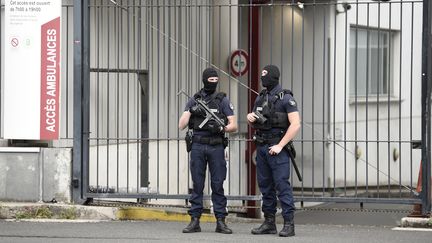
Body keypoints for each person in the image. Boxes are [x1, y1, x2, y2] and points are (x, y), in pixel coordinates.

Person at [178, 67, 237, 234]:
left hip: (216, 146)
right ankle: (195, 220)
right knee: (197, 184)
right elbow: (181, 125)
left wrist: (221, 128)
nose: (213, 83)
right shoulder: (194, 100)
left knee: (218, 184)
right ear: (204, 80)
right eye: (210, 80)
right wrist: (191, 111)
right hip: (197, 145)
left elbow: (234, 125)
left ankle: (220, 221)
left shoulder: (222, 100)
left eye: (215, 80)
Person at [246, 64, 301, 237]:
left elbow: (296, 124)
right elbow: (256, 120)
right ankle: (269, 223)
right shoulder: (260, 97)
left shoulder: (286, 98)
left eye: (265, 76)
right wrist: (249, 118)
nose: (263, 79)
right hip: (262, 147)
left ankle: (289, 224)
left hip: (278, 149)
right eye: (261, 76)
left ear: (274, 77)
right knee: (265, 186)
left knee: (282, 186)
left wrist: (280, 145)